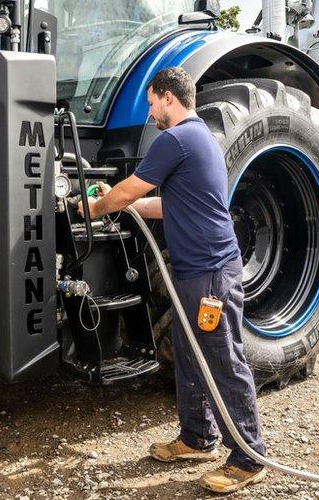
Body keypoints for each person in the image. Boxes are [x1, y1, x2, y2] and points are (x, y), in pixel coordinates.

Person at [76, 67, 268, 493]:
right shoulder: (200, 140)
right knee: (189, 353)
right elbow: (167, 205)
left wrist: (95, 207)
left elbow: (127, 191)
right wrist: (122, 206)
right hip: (195, 273)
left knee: (222, 360)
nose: (150, 114)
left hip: (210, 276)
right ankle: (199, 438)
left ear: (168, 98)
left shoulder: (176, 139)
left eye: (151, 104)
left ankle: (249, 457)